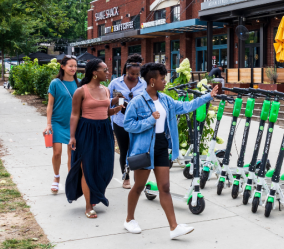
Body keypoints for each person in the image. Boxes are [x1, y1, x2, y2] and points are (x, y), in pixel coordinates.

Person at [122, 63, 218, 238]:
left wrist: (207, 96)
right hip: (145, 149)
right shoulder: (137, 102)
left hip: (161, 146)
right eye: (162, 78)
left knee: (164, 187)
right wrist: (149, 121)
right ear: (152, 81)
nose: (165, 81)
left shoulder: (165, 100)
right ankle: (129, 219)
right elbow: (128, 125)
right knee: (139, 186)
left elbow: (186, 106)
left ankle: (174, 227)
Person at [66, 59, 122, 219]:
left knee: (105, 167)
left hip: (104, 129)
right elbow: (75, 114)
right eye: (105, 70)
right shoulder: (81, 91)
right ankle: (88, 205)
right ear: (94, 72)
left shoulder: (106, 89)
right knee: (87, 168)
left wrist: (116, 108)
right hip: (86, 131)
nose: (107, 72)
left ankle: (95, 193)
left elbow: (106, 111)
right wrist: (72, 137)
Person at [108, 54, 146, 189]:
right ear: (126, 70)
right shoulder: (115, 83)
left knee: (137, 150)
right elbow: (107, 101)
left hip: (138, 123)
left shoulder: (144, 84)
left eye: (137, 74)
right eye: (131, 73)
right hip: (120, 122)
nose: (134, 76)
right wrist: (117, 100)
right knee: (124, 150)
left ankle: (138, 177)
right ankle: (126, 176)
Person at [43, 56, 79, 194]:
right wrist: (48, 124)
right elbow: (50, 104)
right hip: (57, 123)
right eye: (70, 66)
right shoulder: (55, 83)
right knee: (57, 153)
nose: (73, 69)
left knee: (72, 154)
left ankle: (70, 181)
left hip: (73, 124)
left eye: (75, 66)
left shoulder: (79, 83)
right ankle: (56, 177)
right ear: (62, 66)